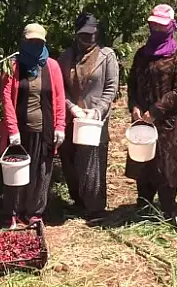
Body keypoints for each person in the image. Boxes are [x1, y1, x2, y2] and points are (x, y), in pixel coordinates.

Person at [125, 4, 177, 220]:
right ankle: (144, 207)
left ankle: (168, 211)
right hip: (142, 119)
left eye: (161, 27)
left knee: (166, 165)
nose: (157, 30)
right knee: (143, 161)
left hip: (167, 122)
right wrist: (134, 105)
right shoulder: (142, 54)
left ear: (171, 27)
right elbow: (132, 82)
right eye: (154, 26)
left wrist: (155, 111)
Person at [0, 23, 66, 228]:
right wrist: (12, 130)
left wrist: (60, 126)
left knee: (41, 171)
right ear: (23, 41)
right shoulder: (12, 66)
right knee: (15, 172)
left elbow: (59, 97)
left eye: (38, 42)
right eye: (31, 41)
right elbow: (6, 99)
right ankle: (13, 213)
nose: (34, 45)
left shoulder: (51, 66)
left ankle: (35, 213)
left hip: (43, 128)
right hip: (19, 130)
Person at [58, 13, 119, 220]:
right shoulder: (66, 58)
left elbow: (111, 88)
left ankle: (95, 208)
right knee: (71, 161)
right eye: (84, 34)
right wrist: (71, 107)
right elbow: (61, 89)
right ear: (76, 34)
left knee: (92, 162)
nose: (89, 38)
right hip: (71, 118)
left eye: (92, 34)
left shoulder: (107, 56)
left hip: (94, 120)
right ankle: (78, 201)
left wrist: (98, 110)